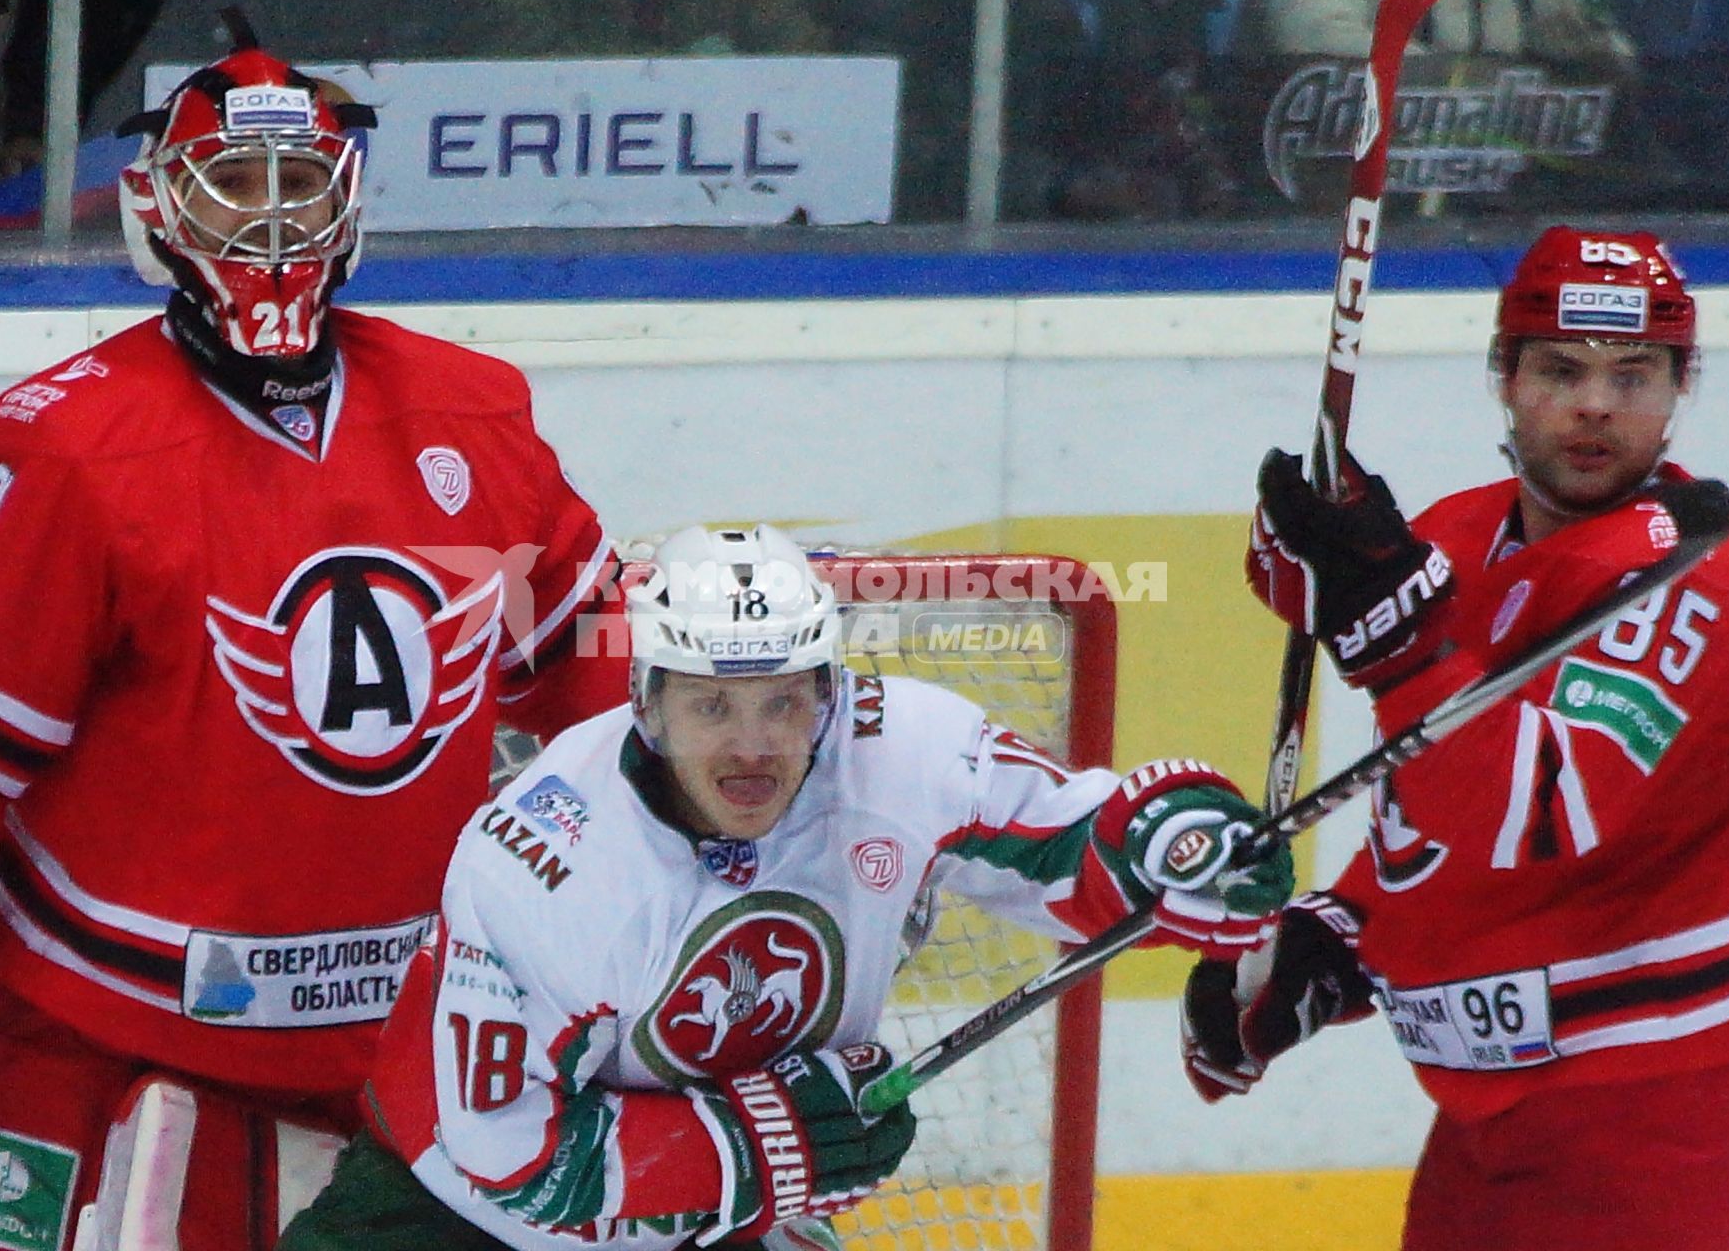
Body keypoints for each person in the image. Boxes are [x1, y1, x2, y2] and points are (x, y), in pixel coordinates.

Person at [0, 13, 628, 1251]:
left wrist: (683, 851)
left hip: (406, 1040)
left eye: (297, 180)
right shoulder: (81, 442)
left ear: (348, 200)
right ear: (162, 207)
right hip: (107, 1041)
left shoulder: (472, 415)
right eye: (234, 181)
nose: (268, 217)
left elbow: (592, 669)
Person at [276, 523, 1295, 1251]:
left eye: (783, 701)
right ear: (650, 702)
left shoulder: (896, 751)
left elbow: (1077, 844)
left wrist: (1176, 846)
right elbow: (511, 1151)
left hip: (719, 1221)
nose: (753, 746)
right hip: (458, 1212)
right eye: (713, 703)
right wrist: (758, 1145)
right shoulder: (549, 856)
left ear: (830, 694)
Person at [1182, 226, 1729, 1251]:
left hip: (1663, 1126)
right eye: (1560, 368)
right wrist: (1341, 937)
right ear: (1503, 373)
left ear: (1680, 385)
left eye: (1635, 373)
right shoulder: (1457, 536)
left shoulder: (1701, 577)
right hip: (1486, 1123)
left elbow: (1541, 805)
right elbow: (1429, 810)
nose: (1595, 405)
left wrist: (1391, 640)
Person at [1249, 0, 1631, 62]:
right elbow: (1316, 34)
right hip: (1334, 207)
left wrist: (1600, 56)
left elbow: (1600, 41)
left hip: (1513, 202)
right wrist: (1451, 89)